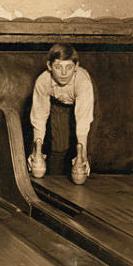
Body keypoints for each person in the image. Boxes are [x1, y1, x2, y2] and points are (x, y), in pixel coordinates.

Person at [28, 43, 94, 177]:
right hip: (59, 103)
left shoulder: (83, 82)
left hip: (85, 104)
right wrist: (37, 149)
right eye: (58, 67)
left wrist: (83, 154)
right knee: (58, 146)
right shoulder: (42, 81)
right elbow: (39, 116)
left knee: (84, 146)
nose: (63, 73)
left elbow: (83, 120)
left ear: (76, 66)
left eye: (69, 67)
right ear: (49, 66)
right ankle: (54, 182)